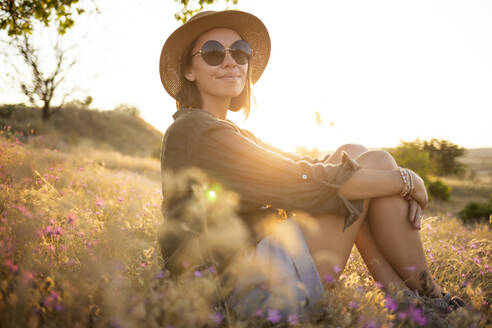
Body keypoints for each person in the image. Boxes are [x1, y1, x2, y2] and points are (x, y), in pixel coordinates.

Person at [157, 9, 464, 323]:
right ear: (189, 71)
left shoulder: (229, 132)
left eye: (240, 51)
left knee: (357, 156)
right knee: (367, 167)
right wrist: (407, 181)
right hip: (236, 290)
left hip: (251, 272)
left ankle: (409, 301)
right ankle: (430, 298)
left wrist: (394, 179)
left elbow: (300, 167)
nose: (230, 61)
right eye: (212, 53)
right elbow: (304, 181)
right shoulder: (195, 131)